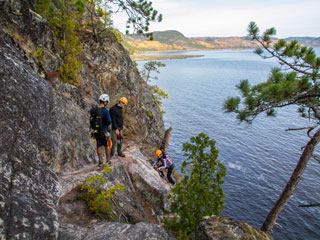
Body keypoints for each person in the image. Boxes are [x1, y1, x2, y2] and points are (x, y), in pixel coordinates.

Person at [91, 94, 112, 167]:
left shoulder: (95, 110)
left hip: (96, 131)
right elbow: (109, 121)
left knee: (99, 145)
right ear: (105, 102)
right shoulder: (106, 111)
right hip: (104, 131)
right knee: (107, 146)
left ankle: (100, 162)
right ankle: (108, 161)